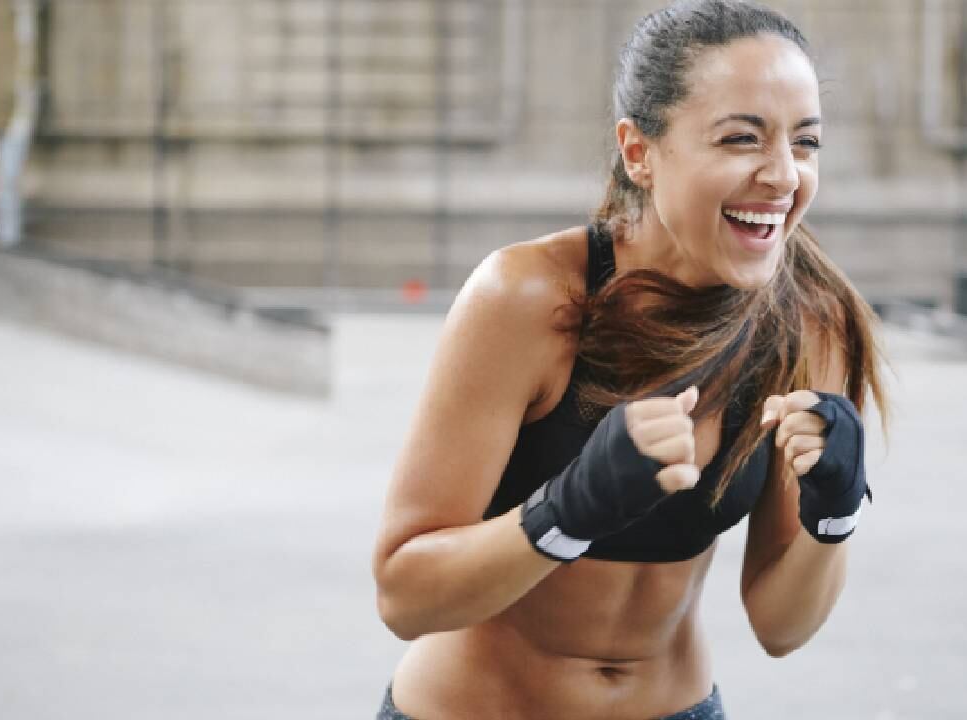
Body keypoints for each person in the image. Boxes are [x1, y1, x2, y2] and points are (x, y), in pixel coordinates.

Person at [370, 1, 892, 718]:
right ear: (639, 152)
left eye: (805, 142)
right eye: (741, 139)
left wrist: (833, 515)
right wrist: (565, 511)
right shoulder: (528, 298)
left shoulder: (807, 322)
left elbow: (781, 627)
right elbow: (404, 597)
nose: (783, 175)